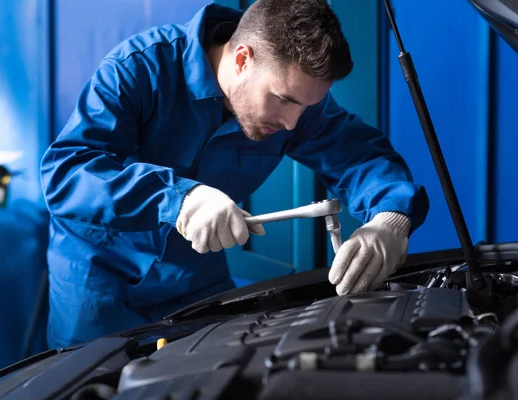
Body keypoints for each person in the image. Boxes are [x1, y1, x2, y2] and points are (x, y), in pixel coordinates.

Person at [40, 0, 429, 348]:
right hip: (97, 278)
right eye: (283, 100)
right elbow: (66, 172)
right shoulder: (138, 68)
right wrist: (180, 199)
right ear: (242, 59)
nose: (293, 124)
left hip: (193, 276)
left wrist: (390, 218)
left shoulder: (295, 108)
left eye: (304, 108)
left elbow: (360, 156)